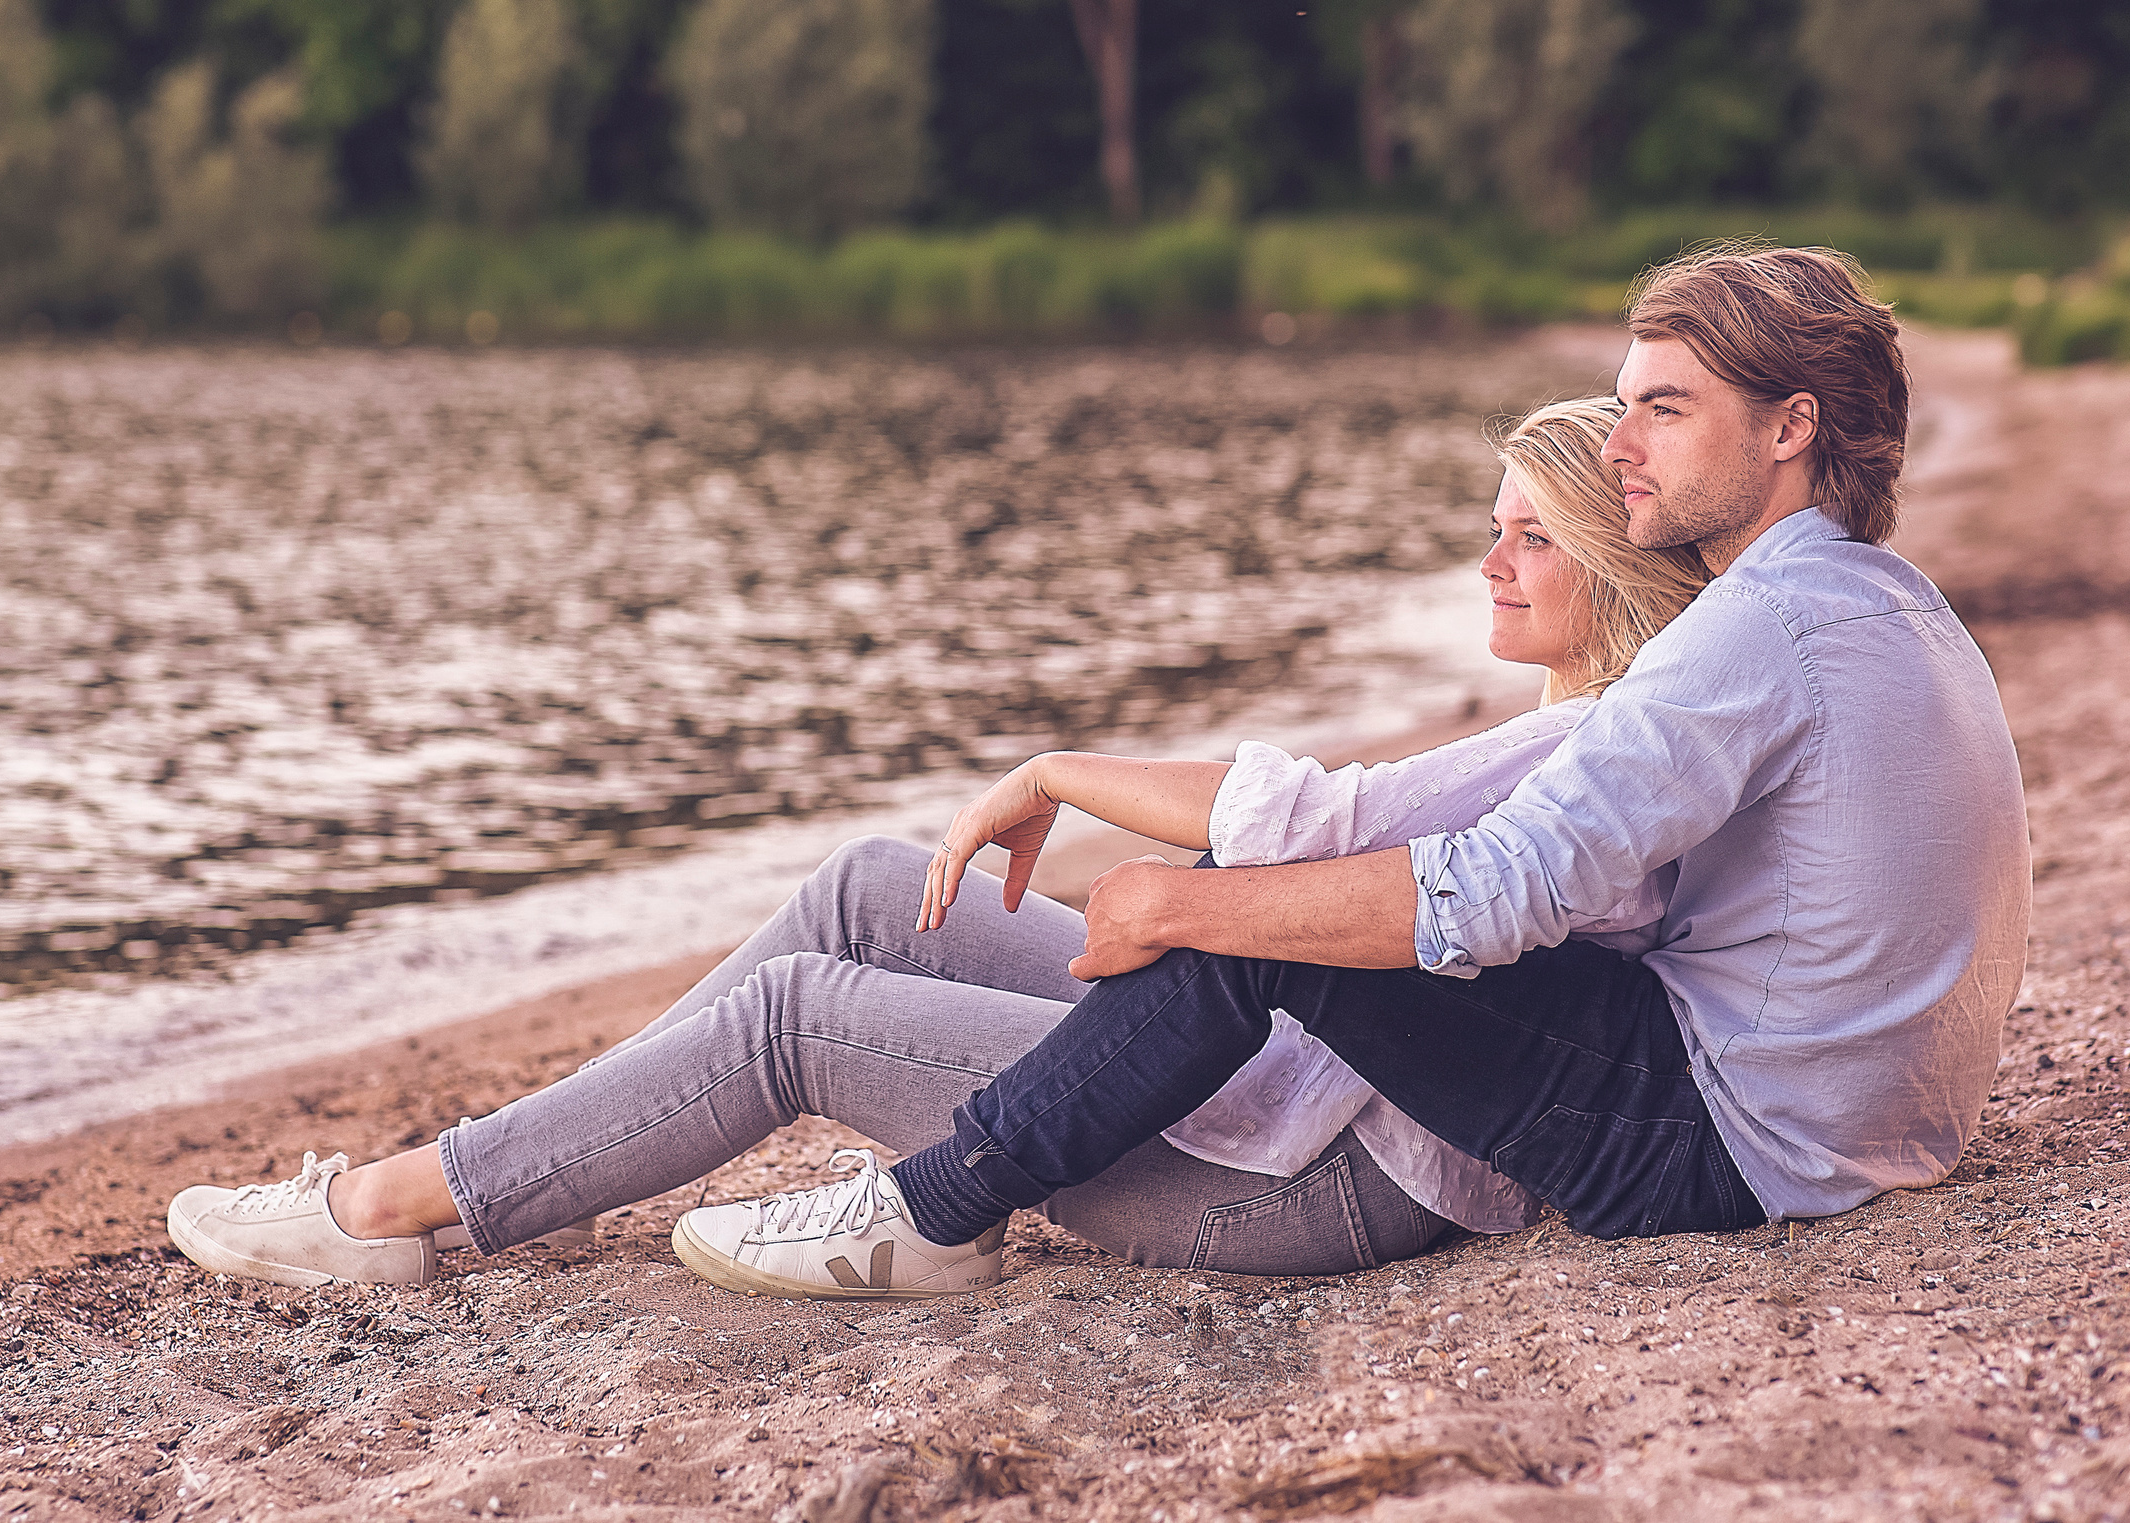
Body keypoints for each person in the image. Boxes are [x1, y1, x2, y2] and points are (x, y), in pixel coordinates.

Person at [667, 242, 2030, 1302]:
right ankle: (936, 1190)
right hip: (1855, 1125)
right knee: (1288, 890)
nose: (1617, 452)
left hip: (1731, 1144)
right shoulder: (1888, 603)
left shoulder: (1763, 623)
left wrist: (1187, 910)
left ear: (1789, 428)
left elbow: (1503, 891)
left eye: (1662, 412)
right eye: (1622, 410)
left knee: (1272, 905)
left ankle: (933, 1208)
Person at [163, 391, 1707, 1291]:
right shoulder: (1590, 718)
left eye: (1530, 538)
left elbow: (1313, 825)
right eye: (1494, 522)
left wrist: (1066, 773)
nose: (1488, 560)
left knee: (797, 1020)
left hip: (1319, 1180)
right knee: (864, 886)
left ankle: (387, 1211)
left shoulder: (1590, 750)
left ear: (1612, 569)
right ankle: (524, 1149)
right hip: (1268, 1075)